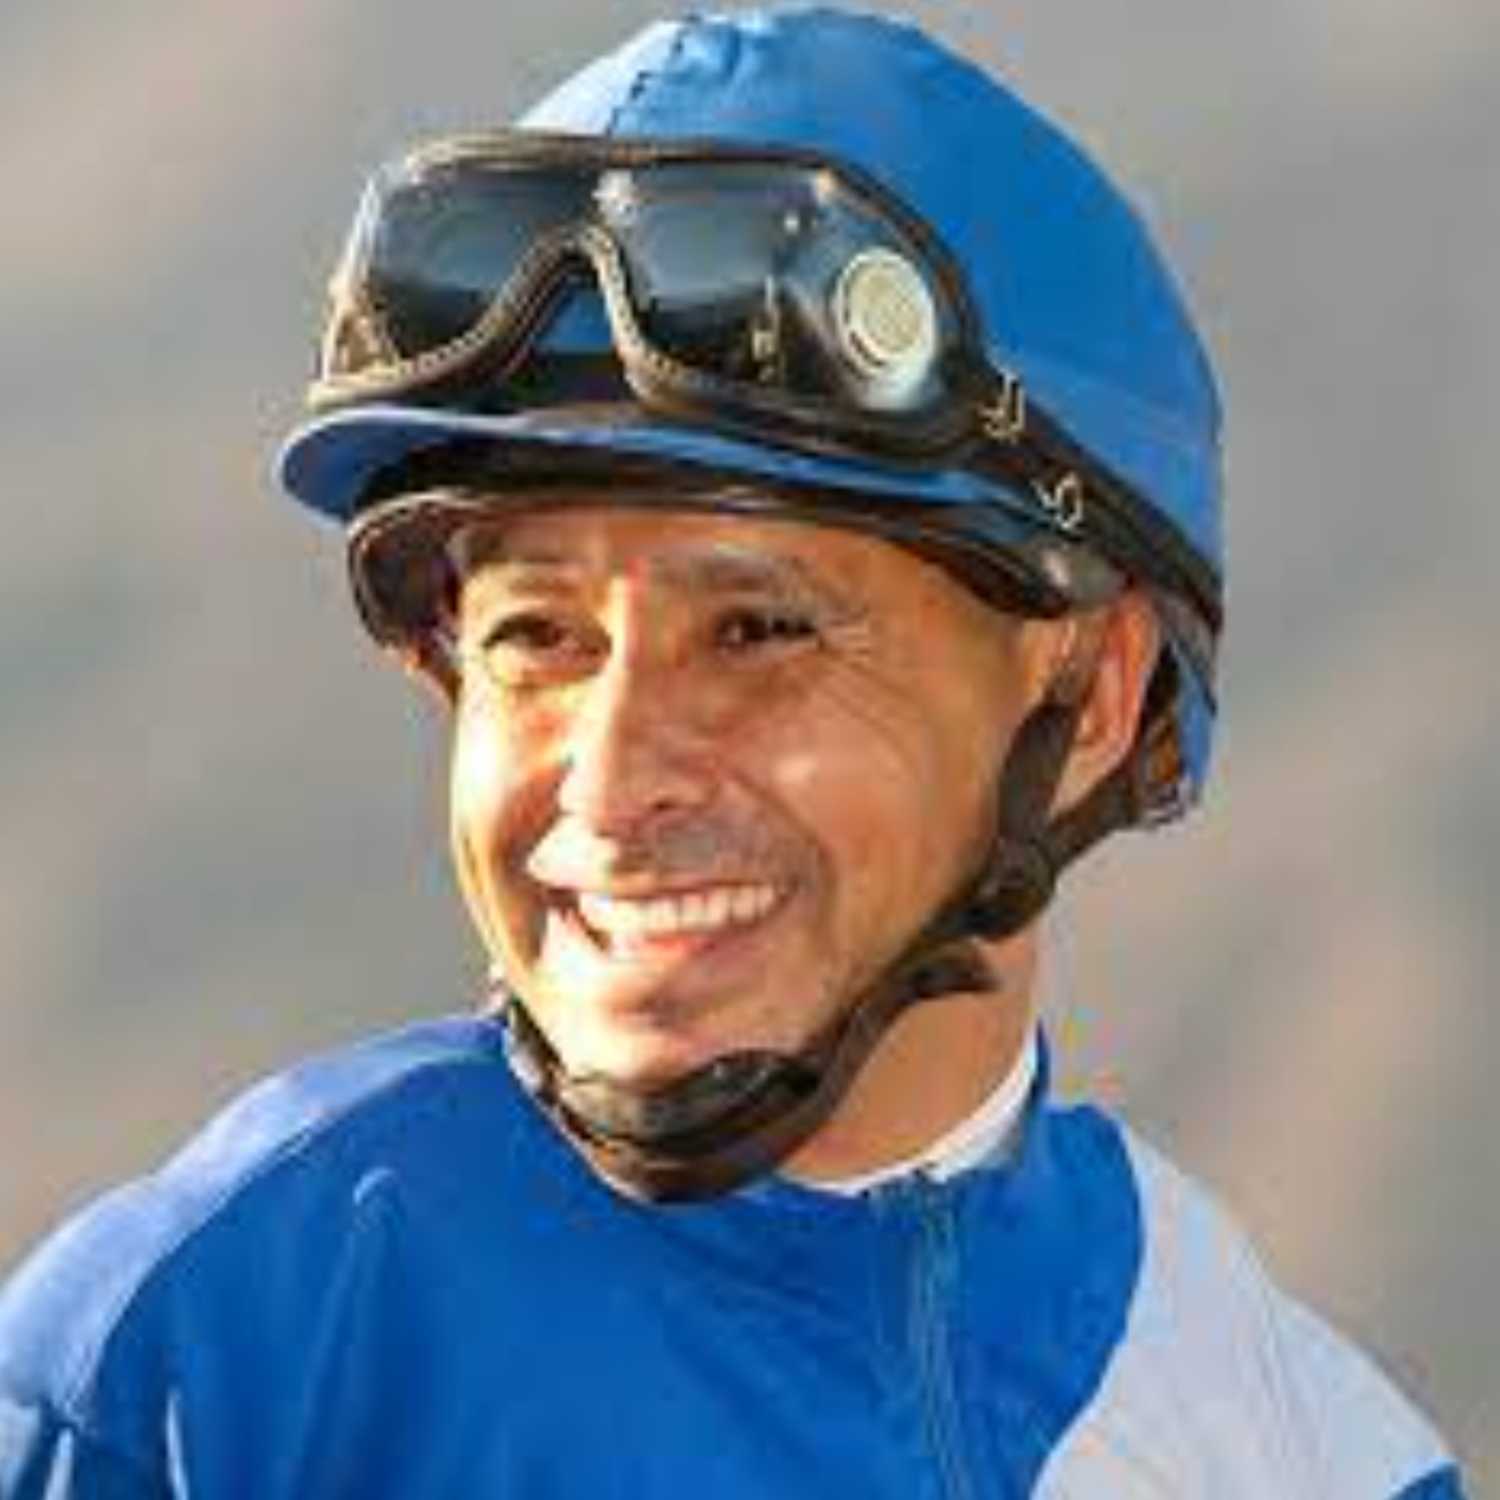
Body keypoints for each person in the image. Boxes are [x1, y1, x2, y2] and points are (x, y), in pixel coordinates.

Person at [0, 7, 1465, 1495]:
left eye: (759, 631)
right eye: (536, 637)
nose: (611, 779)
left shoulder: (1307, 1457)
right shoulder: (202, 1372)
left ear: (1091, 694)